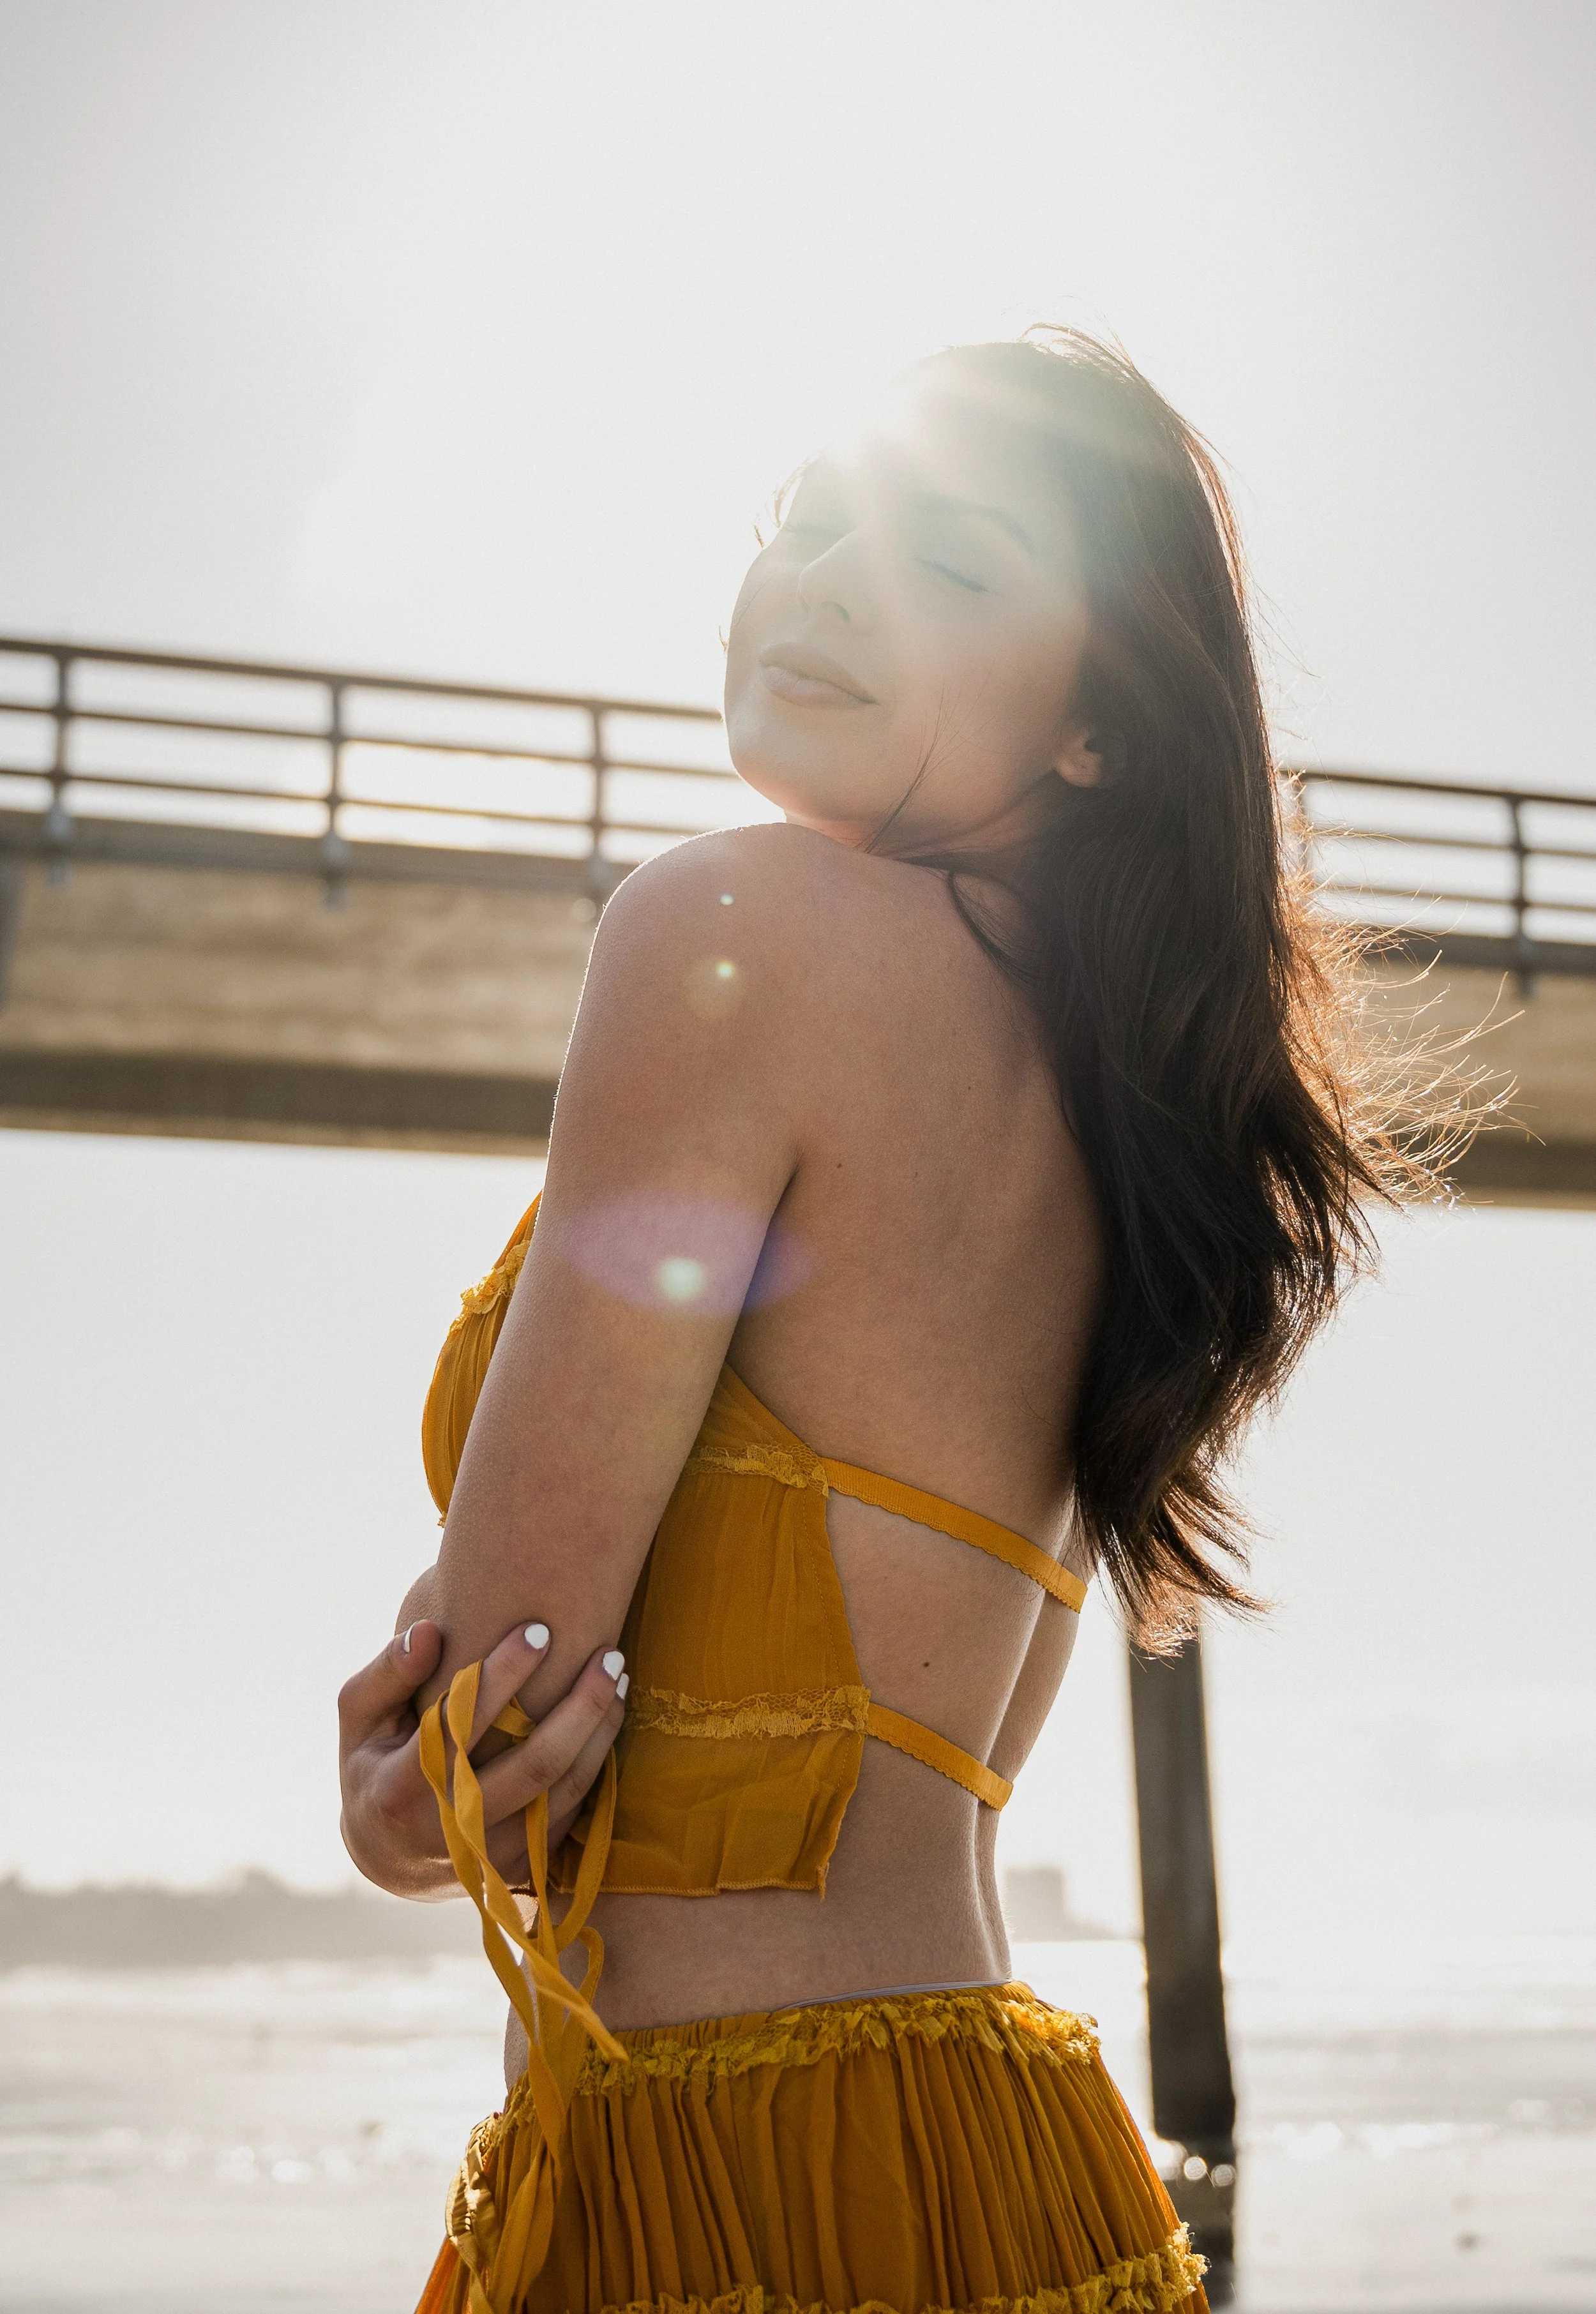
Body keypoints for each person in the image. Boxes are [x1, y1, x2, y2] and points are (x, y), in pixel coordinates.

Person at [337, 329, 1429, 2314]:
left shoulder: (733, 932)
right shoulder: (1125, 1135)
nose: (830, 580)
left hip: (713, 2178)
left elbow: (491, 1725)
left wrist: (396, 1807)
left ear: (1100, 722)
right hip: (1004, 2161)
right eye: (812, 517)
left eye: (953, 562)